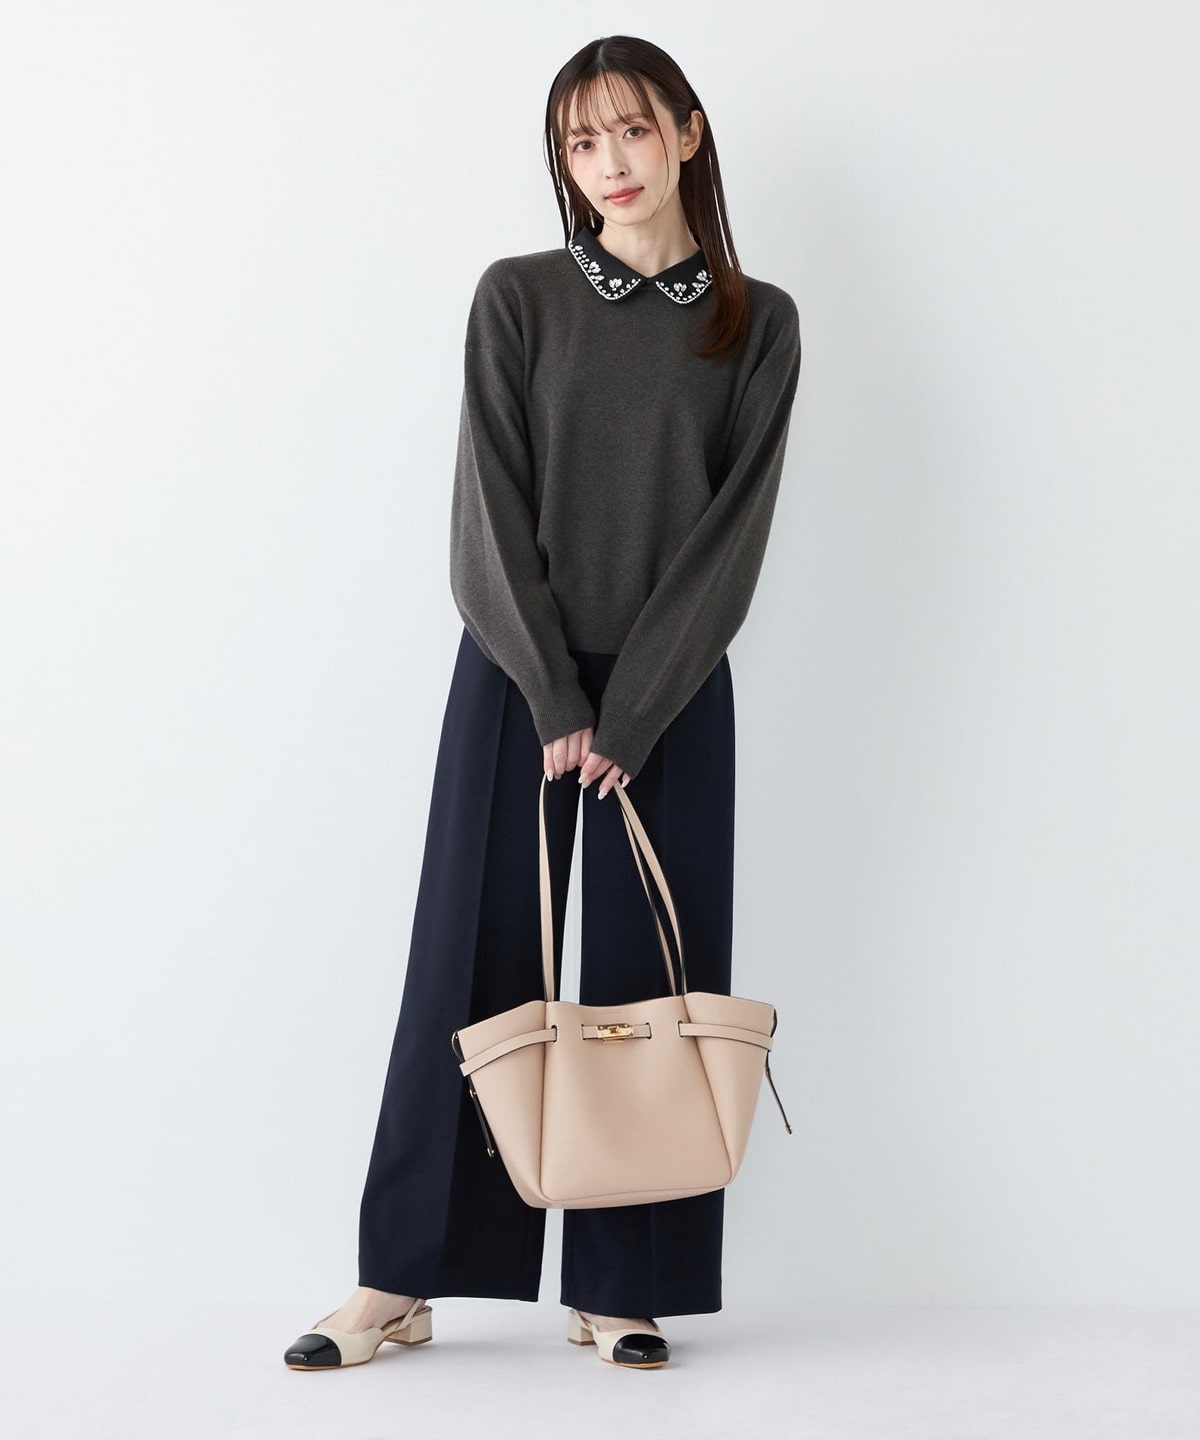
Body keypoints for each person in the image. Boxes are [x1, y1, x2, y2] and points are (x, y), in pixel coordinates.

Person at [283, 33, 802, 1373]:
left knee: (645, 989)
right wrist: (557, 691)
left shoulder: (756, 321)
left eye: (631, 130)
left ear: (687, 132)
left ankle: (620, 1285)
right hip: (518, 681)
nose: (608, 163)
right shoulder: (518, 297)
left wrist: (630, 714)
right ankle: (399, 1279)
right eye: (581, 142)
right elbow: (486, 515)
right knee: (467, 972)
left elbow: (731, 541)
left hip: (670, 695)